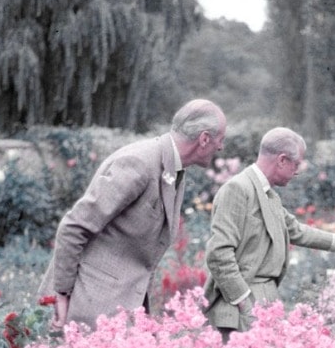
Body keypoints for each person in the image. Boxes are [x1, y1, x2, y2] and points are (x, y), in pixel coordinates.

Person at [39, 99, 227, 330]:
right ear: (204, 138)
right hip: (87, 309)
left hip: (120, 310)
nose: (221, 147)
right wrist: (61, 294)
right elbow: (73, 227)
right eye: (221, 139)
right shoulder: (139, 163)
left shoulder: (175, 169)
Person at [204, 126, 335, 335]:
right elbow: (218, 254)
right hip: (239, 307)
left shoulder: (268, 194)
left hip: (265, 300)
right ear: (281, 160)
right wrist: (244, 302)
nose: (297, 171)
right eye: (295, 163)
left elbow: (296, 231)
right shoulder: (237, 189)